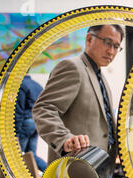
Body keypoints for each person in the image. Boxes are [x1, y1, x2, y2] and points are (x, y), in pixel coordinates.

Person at [33, 25, 124, 169]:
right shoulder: (72, 67)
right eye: (107, 42)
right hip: (74, 169)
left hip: (99, 168)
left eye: (116, 46)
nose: (111, 51)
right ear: (89, 39)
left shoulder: (101, 77)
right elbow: (44, 109)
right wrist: (64, 139)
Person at [15, 75, 47, 172]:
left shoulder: (21, 85)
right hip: (37, 122)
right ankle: (49, 172)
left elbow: (19, 109)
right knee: (31, 154)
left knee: (18, 155)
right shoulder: (37, 85)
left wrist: (15, 131)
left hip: (26, 122)